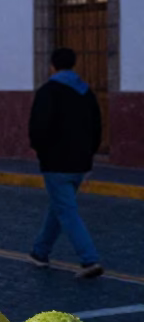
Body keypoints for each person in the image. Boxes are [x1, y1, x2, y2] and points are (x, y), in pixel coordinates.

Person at [28, 48, 104, 278]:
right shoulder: (86, 92)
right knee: (61, 206)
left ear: (52, 66)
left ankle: (89, 259)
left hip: (56, 163)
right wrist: (90, 154)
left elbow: (38, 128)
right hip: (81, 163)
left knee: (66, 210)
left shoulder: (48, 92)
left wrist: (41, 152)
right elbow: (97, 127)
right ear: (74, 64)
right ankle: (40, 252)